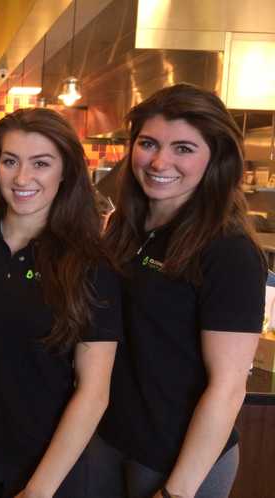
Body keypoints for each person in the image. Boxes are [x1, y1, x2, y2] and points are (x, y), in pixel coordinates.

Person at [0, 108, 122, 498]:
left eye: (41, 163)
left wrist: (40, 490)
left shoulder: (91, 265)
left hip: (55, 468)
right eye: (10, 161)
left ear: (65, 172)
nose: (22, 178)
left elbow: (94, 390)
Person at [93, 84, 267, 498]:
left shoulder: (229, 251)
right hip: (113, 441)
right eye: (148, 143)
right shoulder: (125, 230)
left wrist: (178, 491)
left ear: (216, 158)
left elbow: (227, 387)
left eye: (184, 149)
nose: (159, 161)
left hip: (181, 463)